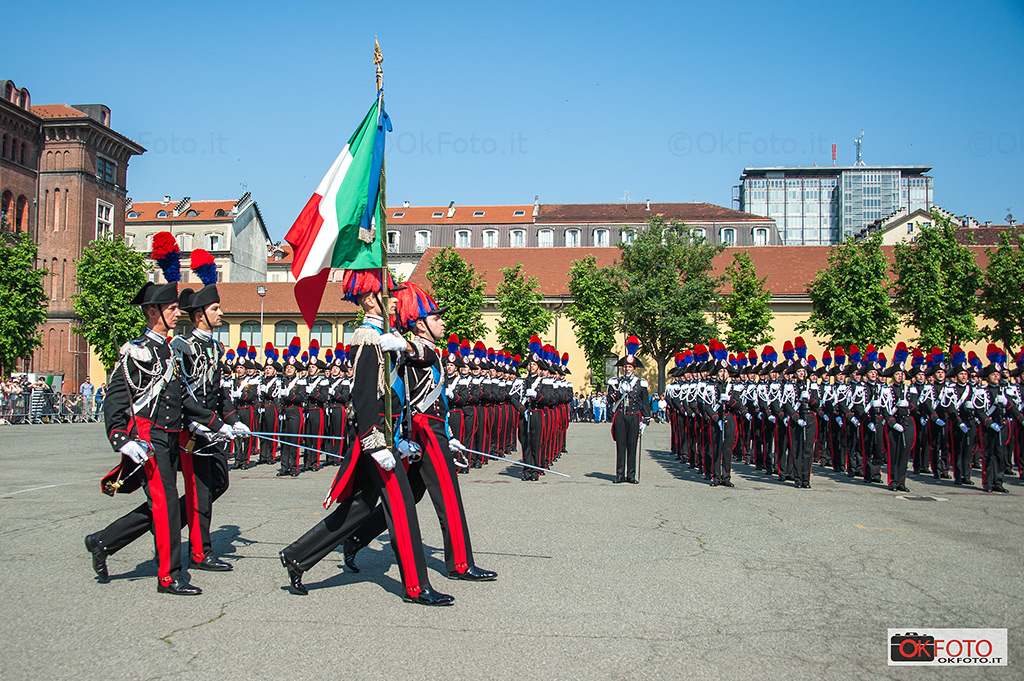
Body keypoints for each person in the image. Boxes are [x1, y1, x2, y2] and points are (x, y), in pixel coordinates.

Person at [279, 269, 454, 605]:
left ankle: (297, 556)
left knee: (360, 507)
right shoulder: (367, 338)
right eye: (387, 295)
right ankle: (416, 586)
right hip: (376, 442)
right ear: (371, 299)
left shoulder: (382, 336)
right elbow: (363, 397)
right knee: (403, 509)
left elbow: (391, 394)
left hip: (387, 438)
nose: (394, 301)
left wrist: (399, 437)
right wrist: (377, 443)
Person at [83, 233, 236, 595]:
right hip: (147, 437)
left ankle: (103, 542)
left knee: (161, 505)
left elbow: (185, 400)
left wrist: (220, 423)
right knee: (167, 505)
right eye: (170, 309)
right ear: (153, 312)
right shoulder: (135, 352)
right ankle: (170, 576)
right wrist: (121, 439)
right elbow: (115, 401)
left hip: (170, 436)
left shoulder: (169, 352)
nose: (176, 312)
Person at [343, 282, 496, 582]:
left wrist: (450, 434)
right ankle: (460, 563)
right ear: (421, 324)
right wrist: (406, 345)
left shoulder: (427, 349)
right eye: (436, 317)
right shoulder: (408, 345)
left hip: (432, 429)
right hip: (423, 431)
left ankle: (358, 537)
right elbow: (416, 355)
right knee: (448, 495)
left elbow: (437, 393)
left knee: (411, 493)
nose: (442, 322)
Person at [171, 249, 250, 571]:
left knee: (218, 484)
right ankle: (200, 552)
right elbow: (183, 393)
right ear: (201, 313)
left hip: (212, 428)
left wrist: (233, 420)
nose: (221, 313)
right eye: (216, 308)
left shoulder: (216, 347)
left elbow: (219, 392)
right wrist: (208, 422)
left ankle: (156, 524)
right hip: (192, 430)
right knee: (201, 492)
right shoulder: (182, 347)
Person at [607, 336, 652, 484]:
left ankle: (631, 475)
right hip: (621, 415)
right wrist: (620, 392)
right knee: (621, 446)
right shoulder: (616, 382)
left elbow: (645, 402)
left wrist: (646, 419)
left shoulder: (640, 383)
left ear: (634, 369)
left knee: (632, 445)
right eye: (625, 367)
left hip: (634, 417)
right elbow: (609, 399)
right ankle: (619, 475)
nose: (627, 369)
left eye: (630, 367)